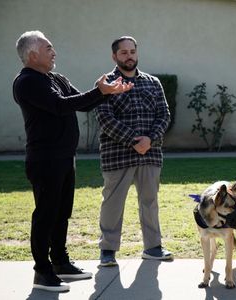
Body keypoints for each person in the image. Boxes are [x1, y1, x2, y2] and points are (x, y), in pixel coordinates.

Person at [13, 30, 133, 292]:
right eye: (48, 48)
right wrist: (99, 92)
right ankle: (42, 272)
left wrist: (107, 92)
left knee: (62, 213)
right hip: (44, 160)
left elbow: (81, 103)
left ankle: (60, 263)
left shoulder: (55, 78)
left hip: (65, 158)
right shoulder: (27, 82)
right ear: (32, 54)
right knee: (45, 214)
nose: (54, 52)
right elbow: (60, 105)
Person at [95, 36, 173, 267]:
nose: (129, 56)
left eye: (132, 51)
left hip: (150, 153)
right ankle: (107, 250)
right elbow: (105, 119)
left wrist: (149, 139)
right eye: (123, 52)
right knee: (112, 203)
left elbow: (164, 115)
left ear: (137, 53)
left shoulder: (153, 82)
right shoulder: (105, 84)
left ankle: (153, 247)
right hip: (117, 155)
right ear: (114, 56)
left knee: (149, 202)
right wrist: (133, 140)